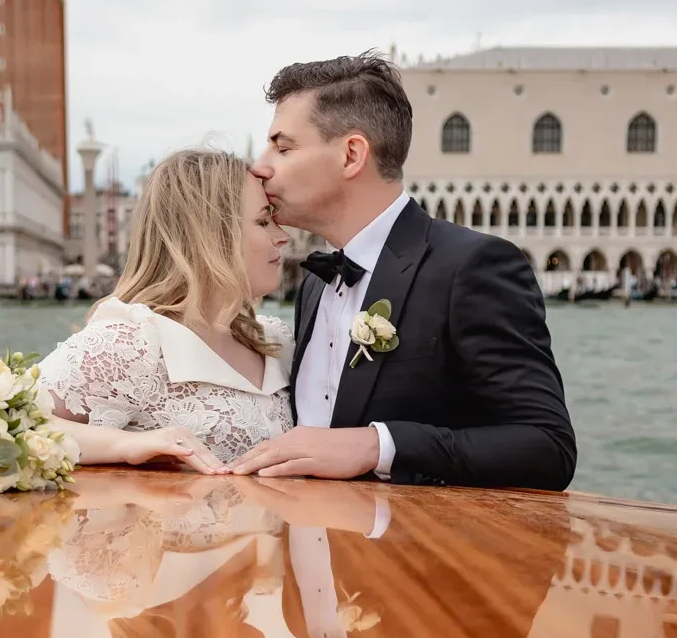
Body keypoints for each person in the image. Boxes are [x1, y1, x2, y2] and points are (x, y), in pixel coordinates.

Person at [230, 52, 576, 490]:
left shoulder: (471, 267)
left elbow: (548, 448)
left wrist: (378, 446)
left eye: (283, 147)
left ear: (351, 155)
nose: (262, 165)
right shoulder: (315, 284)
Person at [37, 148, 294, 469]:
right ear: (210, 234)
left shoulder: (277, 341)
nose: (282, 237)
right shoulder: (131, 343)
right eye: (262, 221)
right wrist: (126, 444)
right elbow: (8, 421)